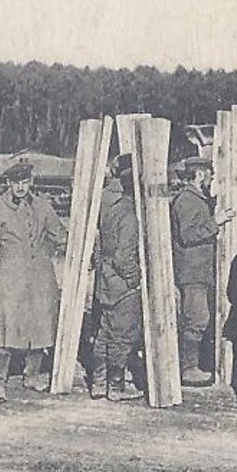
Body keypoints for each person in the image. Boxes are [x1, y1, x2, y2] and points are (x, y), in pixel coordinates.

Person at [0, 161, 68, 402]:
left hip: (40, 277)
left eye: (25, 182)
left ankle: (33, 375)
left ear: (31, 182)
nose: (20, 187)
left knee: (40, 325)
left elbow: (60, 235)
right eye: (15, 182)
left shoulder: (43, 207)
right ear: (8, 183)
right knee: (4, 330)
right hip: (11, 278)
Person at [171, 157, 236, 387]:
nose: (211, 179)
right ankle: (188, 369)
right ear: (199, 175)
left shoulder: (196, 199)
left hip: (199, 271)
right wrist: (215, 221)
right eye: (209, 175)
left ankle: (190, 366)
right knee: (196, 319)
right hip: (192, 272)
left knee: (198, 318)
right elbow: (188, 236)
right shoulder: (187, 201)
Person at [91, 154, 144, 402]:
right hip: (123, 285)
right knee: (122, 337)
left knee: (105, 333)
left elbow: (99, 244)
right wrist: (134, 279)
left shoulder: (108, 206)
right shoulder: (129, 214)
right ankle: (116, 386)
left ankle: (98, 383)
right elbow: (125, 257)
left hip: (106, 280)